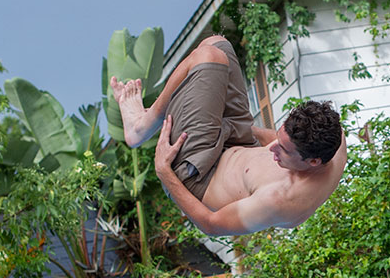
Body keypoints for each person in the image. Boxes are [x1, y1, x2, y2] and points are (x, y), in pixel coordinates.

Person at [110, 35, 346, 236]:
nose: (273, 147)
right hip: (238, 140)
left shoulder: (280, 199)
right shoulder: (334, 139)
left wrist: (164, 171)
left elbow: (211, 225)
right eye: (280, 139)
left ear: (313, 162)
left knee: (208, 57)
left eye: (283, 150)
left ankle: (140, 126)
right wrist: (226, 124)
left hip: (195, 171)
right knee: (217, 43)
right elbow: (278, 141)